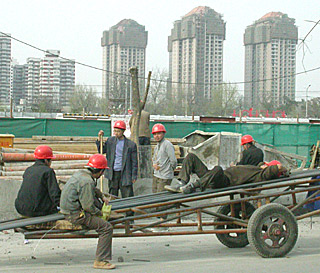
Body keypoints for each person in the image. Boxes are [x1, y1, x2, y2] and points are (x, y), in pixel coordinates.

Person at [60, 154, 115, 270]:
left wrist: (102, 196)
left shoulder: (82, 174)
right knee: (107, 228)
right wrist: (101, 213)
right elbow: (88, 206)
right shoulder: (87, 181)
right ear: (100, 171)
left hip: (68, 210)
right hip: (75, 215)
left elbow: (93, 190)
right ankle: (100, 261)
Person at [165, 153, 287, 194]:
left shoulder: (262, 174)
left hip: (223, 181)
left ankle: (192, 186)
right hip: (214, 176)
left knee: (217, 168)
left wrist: (285, 171)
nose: (264, 164)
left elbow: (280, 167)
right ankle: (181, 182)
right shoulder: (256, 168)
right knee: (191, 157)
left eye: (267, 164)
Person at [96, 120, 138, 217]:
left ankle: (130, 218)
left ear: (123, 131)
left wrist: (134, 175)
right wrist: (99, 138)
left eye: (118, 131)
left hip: (125, 174)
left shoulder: (131, 145)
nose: (116, 133)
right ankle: (111, 216)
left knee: (127, 197)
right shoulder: (110, 141)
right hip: (113, 173)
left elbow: (135, 162)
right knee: (111, 197)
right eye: (115, 131)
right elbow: (102, 150)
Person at [15, 145, 61, 217]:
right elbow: (54, 193)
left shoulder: (28, 170)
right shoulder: (48, 171)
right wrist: (62, 206)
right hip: (37, 211)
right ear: (46, 160)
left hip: (21, 208)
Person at [152, 123, 177, 194]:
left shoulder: (167, 145)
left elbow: (173, 161)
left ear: (163, 133)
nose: (156, 136)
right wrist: (154, 165)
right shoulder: (157, 146)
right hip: (157, 175)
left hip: (165, 177)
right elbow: (154, 158)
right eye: (155, 134)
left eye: (159, 133)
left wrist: (168, 170)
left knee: (161, 197)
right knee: (154, 195)